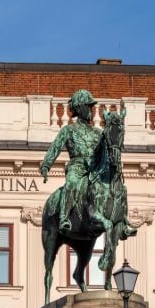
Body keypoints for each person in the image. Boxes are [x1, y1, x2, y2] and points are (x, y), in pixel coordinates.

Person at [40, 89, 104, 231]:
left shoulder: (98, 133)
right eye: (88, 106)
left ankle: (122, 222)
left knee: (113, 189)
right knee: (71, 184)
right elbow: (55, 148)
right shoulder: (68, 130)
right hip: (77, 166)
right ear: (79, 108)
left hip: (95, 169)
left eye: (91, 107)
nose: (91, 110)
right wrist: (46, 165)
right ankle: (64, 218)